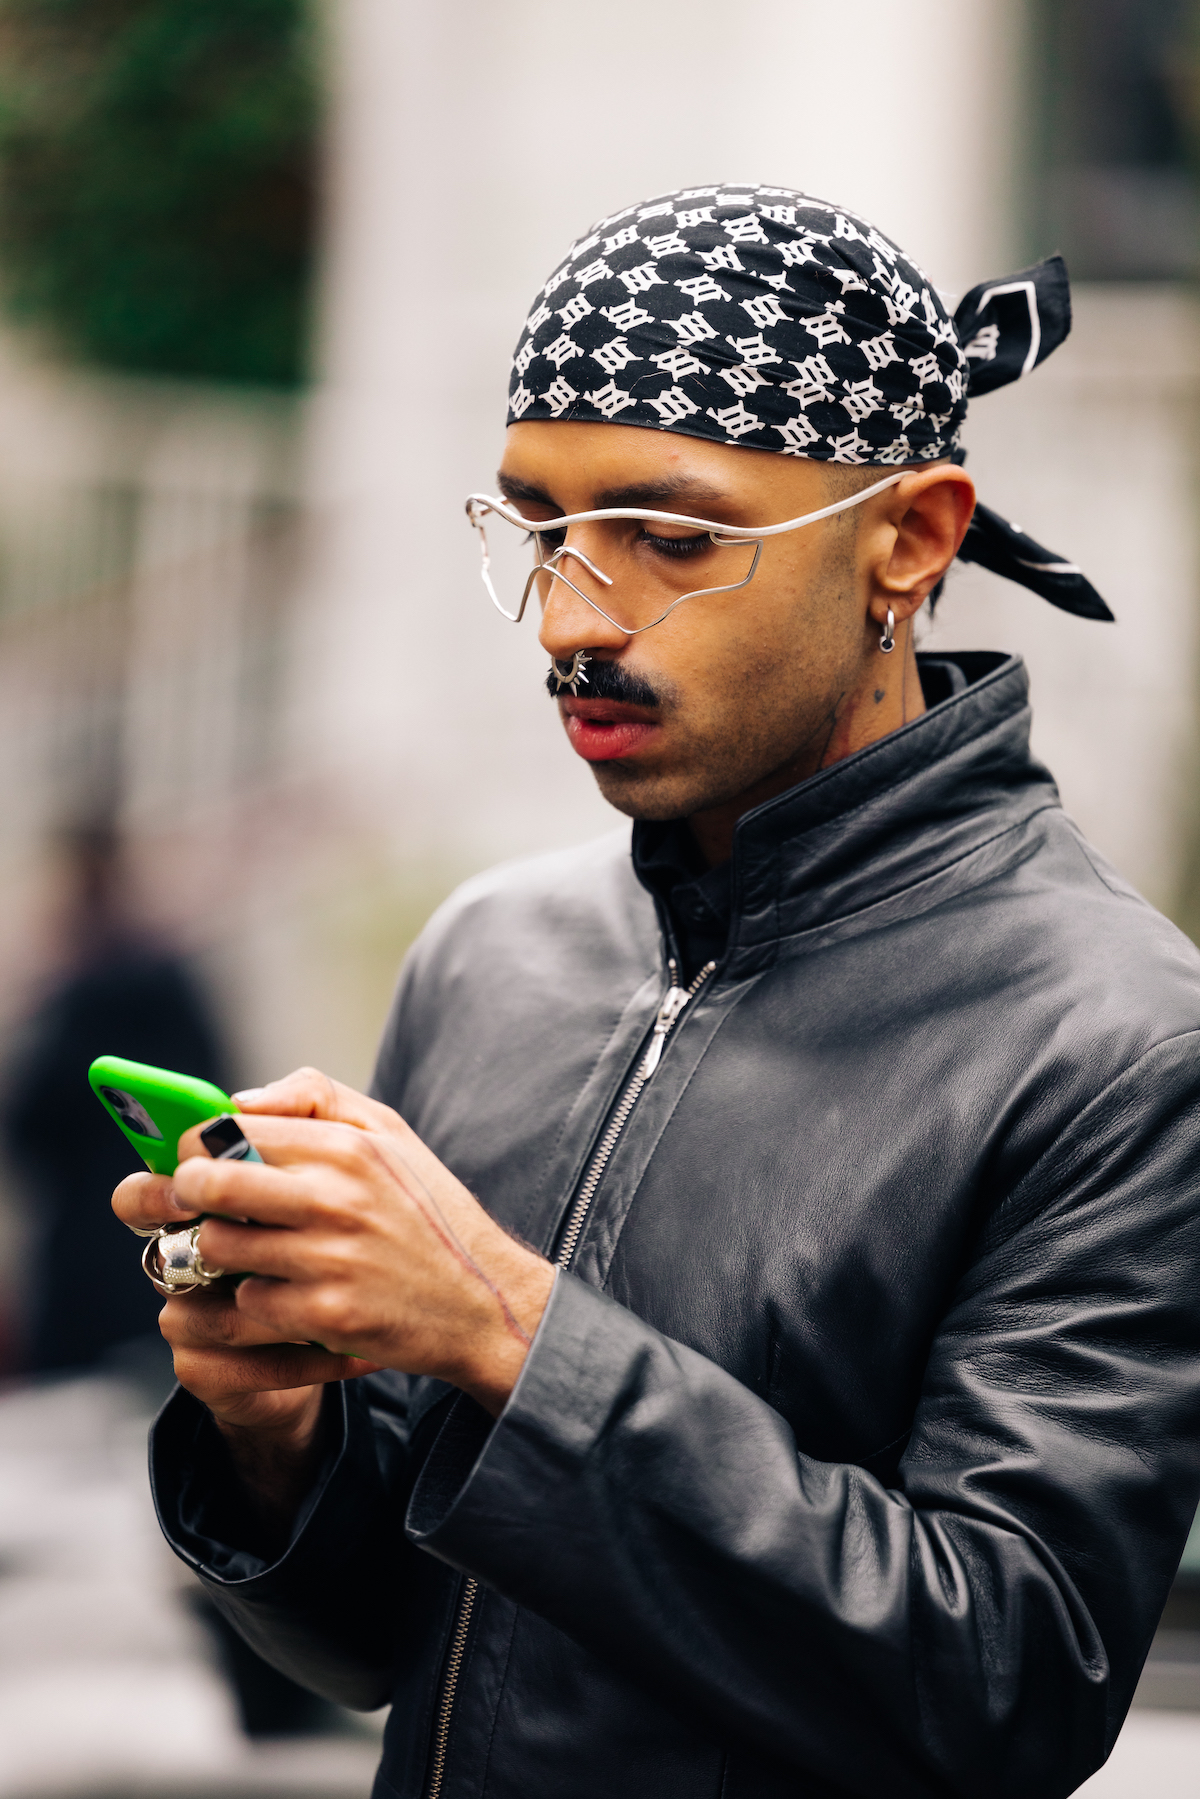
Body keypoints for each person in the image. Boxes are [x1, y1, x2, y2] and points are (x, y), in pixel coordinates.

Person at [117, 186, 1200, 1799]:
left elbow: (1004, 1689)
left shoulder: (1120, 1042)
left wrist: (508, 1332)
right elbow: (383, 1649)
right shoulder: (492, 952)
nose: (570, 616)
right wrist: (275, 1434)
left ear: (910, 538)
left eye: (671, 540)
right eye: (538, 529)